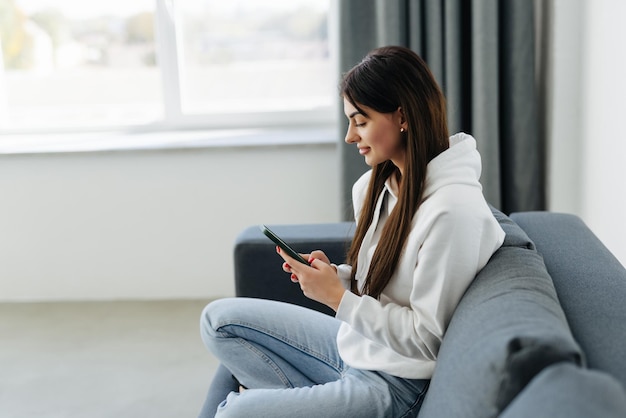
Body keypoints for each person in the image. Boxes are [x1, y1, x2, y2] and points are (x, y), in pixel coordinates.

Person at [198, 45, 505, 417]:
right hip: (354, 348)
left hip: (396, 386)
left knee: (232, 413)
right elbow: (382, 285)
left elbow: (429, 340)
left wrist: (338, 300)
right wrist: (337, 277)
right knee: (218, 322)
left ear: (402, 116)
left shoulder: (452, 212)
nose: (349, 136)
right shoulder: (375, 187)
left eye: (360, 122)